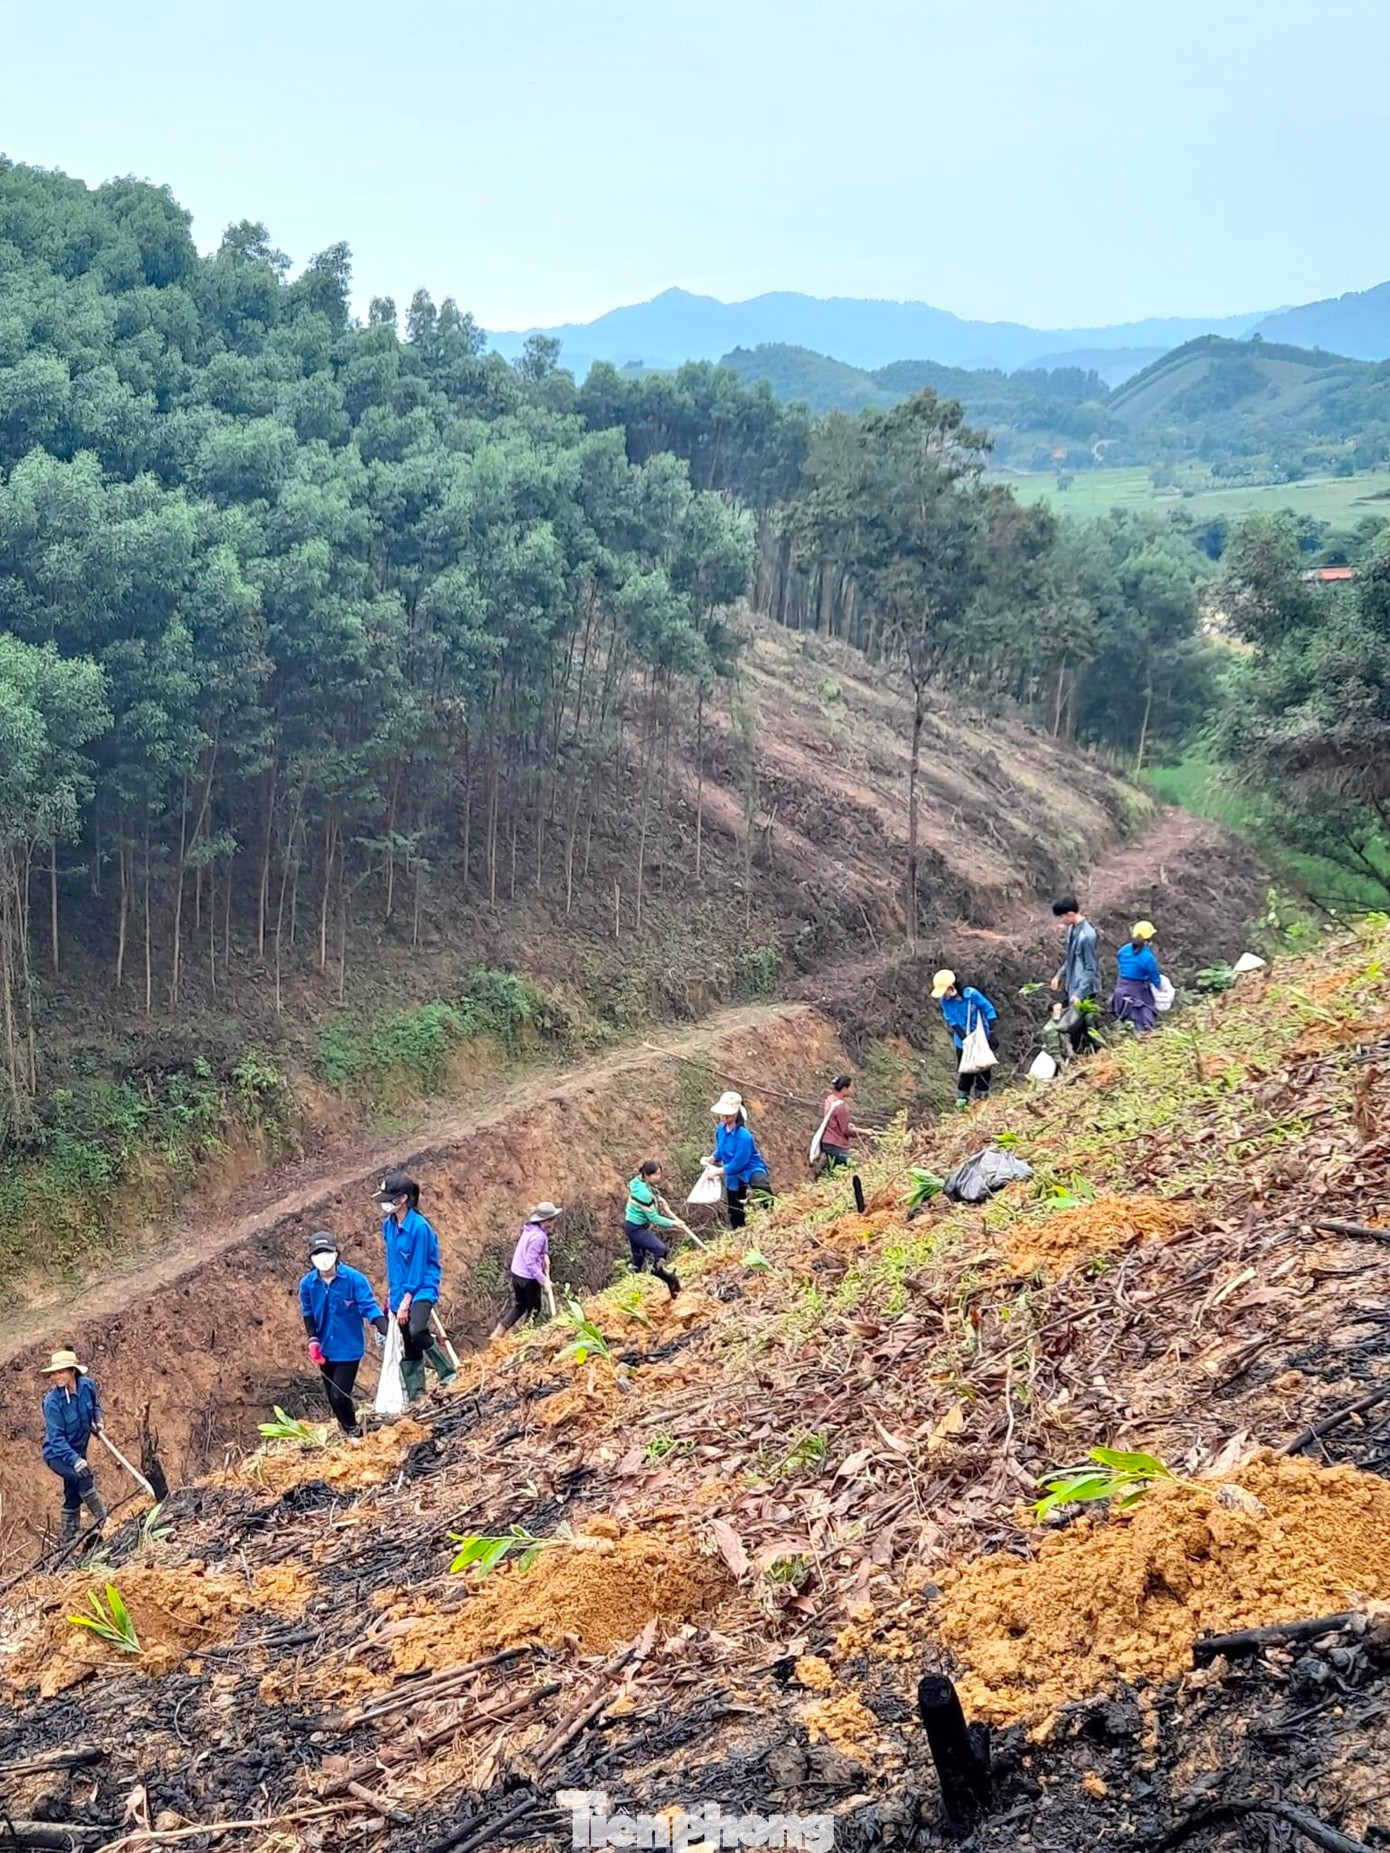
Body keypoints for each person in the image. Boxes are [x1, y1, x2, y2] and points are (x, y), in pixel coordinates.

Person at [299, 1232, 389, 1442]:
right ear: (311, 1258)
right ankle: (346, 1429)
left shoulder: (354, 1279)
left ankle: (352, 1430)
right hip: (324, 1348)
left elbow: (369, 1306)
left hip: (349, 1348)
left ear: (336, 1253)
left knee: (340, 1393)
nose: (323, 1257)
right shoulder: (307, 1284)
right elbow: (308, 1312)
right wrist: (312, 1339)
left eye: (327, 1252)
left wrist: (385, 1328)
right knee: (332, 1396)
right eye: (317, 1253)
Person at [377, 1170, 457, 1403]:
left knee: (417, 1330)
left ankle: (448, 1372)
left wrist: (406, 1300)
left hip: (421, 1286)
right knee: (408, 1341)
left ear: (402, 1199)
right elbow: (394, 1262)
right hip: (400, 1289)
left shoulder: (419, 1228)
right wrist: (394, 1295)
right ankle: (416, 1394)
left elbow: (418, 1266)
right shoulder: (389, 1226)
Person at [41, 1349, 107, 1542]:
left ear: (72, 1371)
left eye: (61, 1372)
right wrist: (75, 1459)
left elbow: (95, 1406)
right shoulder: (52, 1402)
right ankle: (104, 1520)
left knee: (73, 1491)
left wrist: (98, 1421)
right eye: (54, 1373)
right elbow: (56, 1439)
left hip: (78, 1450)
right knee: (83, 1478)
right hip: (58, 1455)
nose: (56, 1377)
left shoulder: (88, 1386)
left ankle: (69, 1537)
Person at [705, 1091, 773, 1231]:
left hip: (749, 1167)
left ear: (735, 1114)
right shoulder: (721, 1130)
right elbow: (722, 1148)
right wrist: (713, 1158)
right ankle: (739, 1230)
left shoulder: (744, 1136)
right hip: (732, 1172)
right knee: (734, 1206)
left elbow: (739, 1163)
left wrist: (718, 1171)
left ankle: (774, 1215)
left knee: (761, 1187)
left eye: (726, 1114)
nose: (723, 1116)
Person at [931, 970, 998, 1109]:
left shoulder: (971, 995)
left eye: (945, 991)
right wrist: (965, 1039)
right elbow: (951, 1020)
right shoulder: (945, 1001)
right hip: (963, 1042)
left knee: (983, 1069)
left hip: (981, 1039)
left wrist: (991, 1032)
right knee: (966, 1072)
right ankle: (962, 1103)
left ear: (951, 986)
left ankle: (982, 1101)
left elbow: (989, 1009)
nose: (944, 995)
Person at [492, 1202, 560, 1336]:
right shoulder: (539, 1237)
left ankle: (497, 1333)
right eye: (552, 1219)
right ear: (545, 1221)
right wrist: (543, 1280)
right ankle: (526, 1335)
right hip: (528, 1279)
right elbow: (530, 1262)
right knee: (535, 1309)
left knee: (520, 1305)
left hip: (517, 1274)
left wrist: (545, 1255)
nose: (554, 1222)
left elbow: (536, 1249)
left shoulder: (529, 1228)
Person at [1051, 895, 1101, 1055]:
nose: (1062, 920)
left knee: (1077, 1028)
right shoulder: (1072, 930)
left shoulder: (1087, 936)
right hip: (1073, 986)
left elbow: (1090, 969)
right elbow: (1071, 958)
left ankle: (1091, 1055)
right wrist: (1059, 975)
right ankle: (1086, 1055)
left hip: (1084, 989)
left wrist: (1079, 993)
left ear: (1071, 914)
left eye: (1062, 917)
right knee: (1077, 1027)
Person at [623, 1162, 681, 1297]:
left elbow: (652, 1193)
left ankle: (635, 1289)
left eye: (659, 1174)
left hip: (635, 1225)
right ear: (646, 1175)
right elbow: (655, 1218)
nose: (658, 1177)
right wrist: (674, 1223)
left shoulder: (638, 1182)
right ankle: (659, 1272)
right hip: (635, 1228)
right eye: (655, 1175)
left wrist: (659, 1199)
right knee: (661, 1250)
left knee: (637, 1260)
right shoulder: (643, 1194)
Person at [1111, 920, 1164, 1035]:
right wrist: (1161, 988)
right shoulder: (1148, 957)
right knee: (1143, 1020)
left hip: (1121, 989)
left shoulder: (1123, 950)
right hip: (1139, 992)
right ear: (1148, 940)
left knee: (1125, 1019)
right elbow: (1155, 978)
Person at [816, 1074, 865, 1171]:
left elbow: (834, 1121)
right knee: (854, 1167)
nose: (851, 1090)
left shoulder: (830, 1099)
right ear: (844, 1088)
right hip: (836, 1145)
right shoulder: (841, 1106)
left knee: (834, 1169)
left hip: (827, 1142)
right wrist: (864, 1132)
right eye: (850, 1087)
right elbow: (846, 1131)